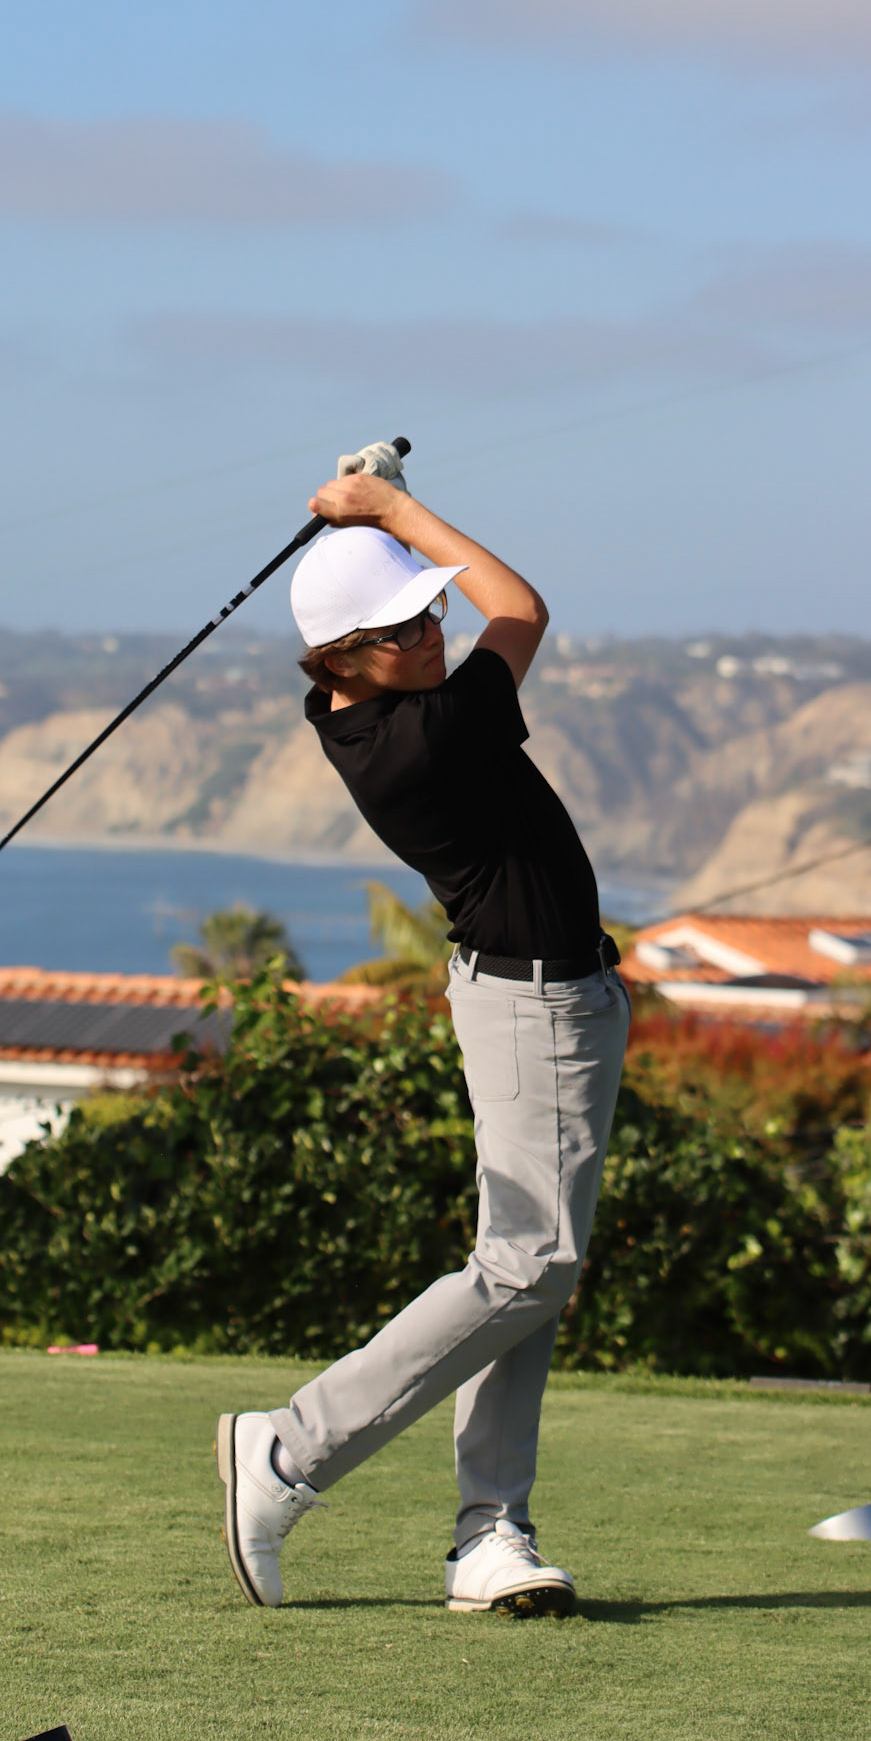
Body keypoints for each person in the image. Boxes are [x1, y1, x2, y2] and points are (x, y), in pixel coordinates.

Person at [216, 445, 630, 1616]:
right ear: (341, 657)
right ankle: (291, 1448)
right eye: (403, 628)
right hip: (534, 1005)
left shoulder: (363, 710)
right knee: (529, 1265)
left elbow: (467, 611)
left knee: (531, 1270)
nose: (434, 632)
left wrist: (371, 531)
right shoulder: (428, 734)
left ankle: (490, 1532)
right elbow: (522, 604)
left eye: (429, 611)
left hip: (553, 997)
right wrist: (393, 509)